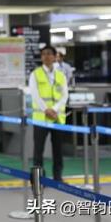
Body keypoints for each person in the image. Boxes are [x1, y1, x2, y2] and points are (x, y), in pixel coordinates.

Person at [30, 45, 69, 182]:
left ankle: (58, 177)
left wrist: (55, 109)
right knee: (38, 151)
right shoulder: (35, 74)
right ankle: (39, 179)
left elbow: (64, 95)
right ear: (41, 57)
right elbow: (35, 95)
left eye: (49, 54)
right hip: (41, 118)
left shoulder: (61, 75)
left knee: (58, 150)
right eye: (43, 54)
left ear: (54, 56)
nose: (46, 56)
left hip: (57, 118)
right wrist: (46, 109)